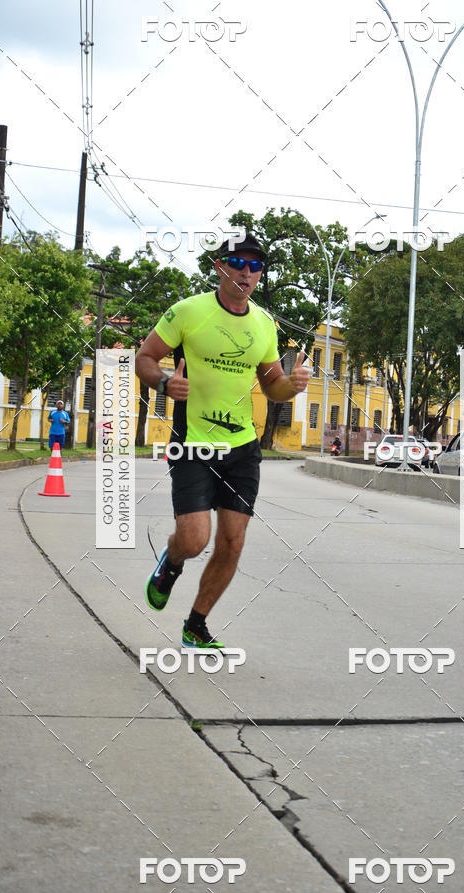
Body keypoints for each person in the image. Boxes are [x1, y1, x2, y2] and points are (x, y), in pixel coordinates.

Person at [135, 233, 310, 649]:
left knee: (231, 543)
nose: (247, 273)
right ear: (220, 267)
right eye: (239, 264)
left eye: (256, 266)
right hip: (194, 443)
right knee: (194, 540)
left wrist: (293, 385)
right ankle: (171, 561)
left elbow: (272, 387)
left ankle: (196, 625)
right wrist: (164, 382)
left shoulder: (264, 324)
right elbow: (144, 359)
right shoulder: (188, 312)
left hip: (242, 448)